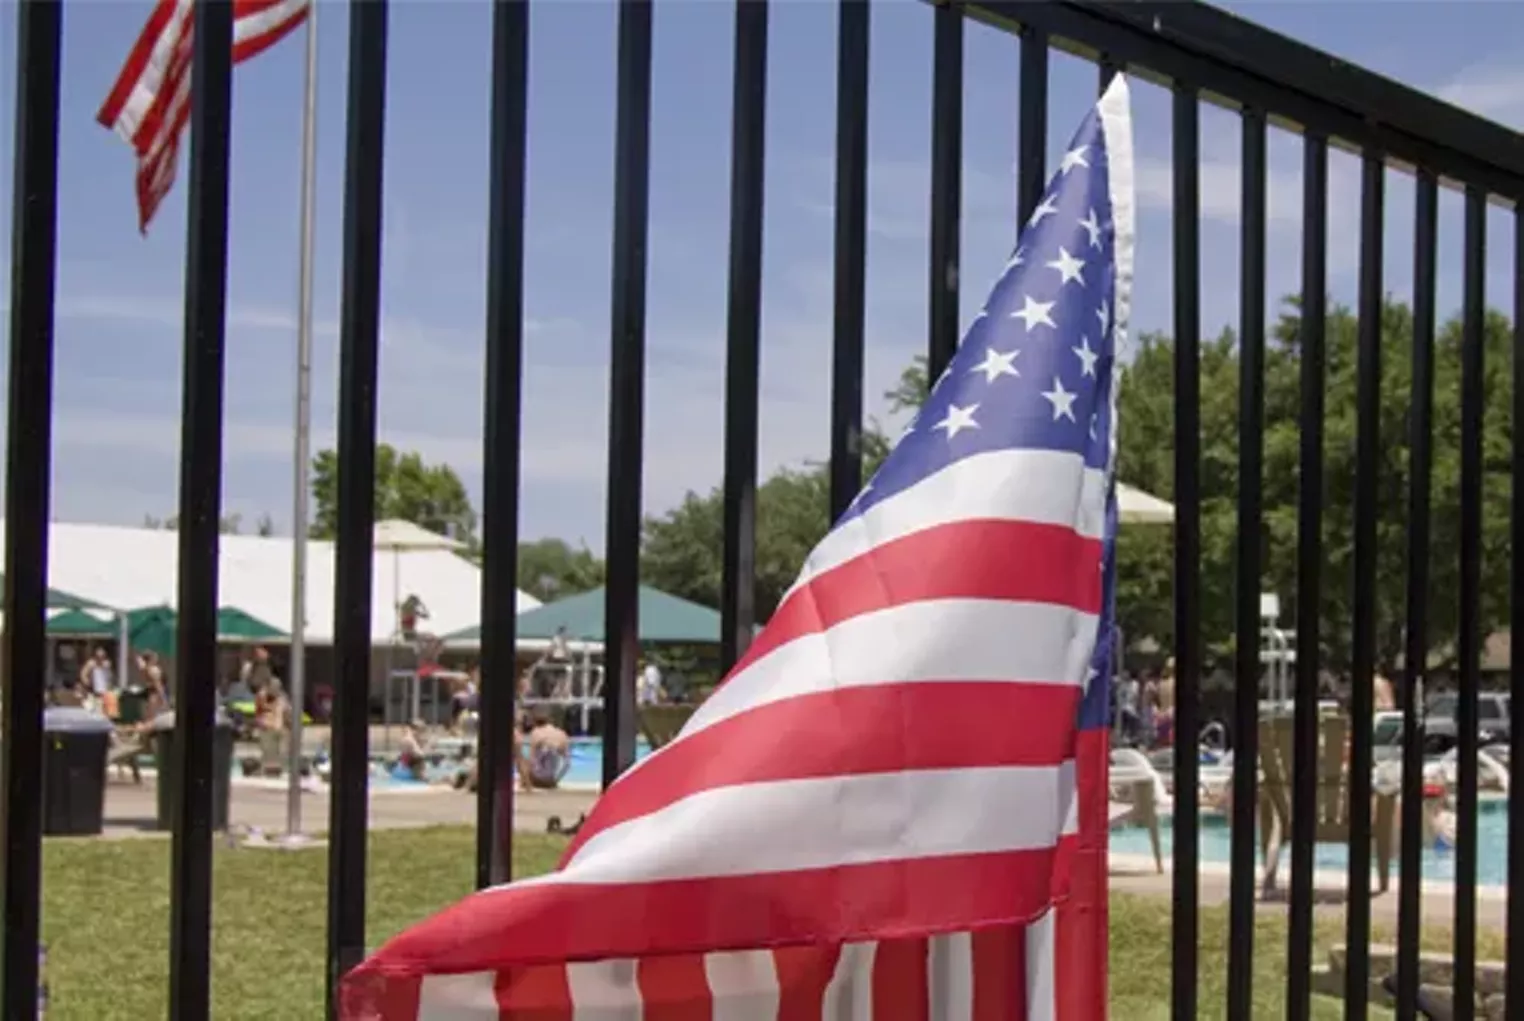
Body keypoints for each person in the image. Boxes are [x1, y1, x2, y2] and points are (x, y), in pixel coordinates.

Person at [518, 710, 571, 791]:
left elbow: (531, 760)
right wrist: (556, 780)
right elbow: (567, 763)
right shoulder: (562, 734)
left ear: (535, 723)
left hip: (536, 780)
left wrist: (524, 779)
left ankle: (523, 783)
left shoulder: (536, 732)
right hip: (551, 780)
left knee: (521, 758)